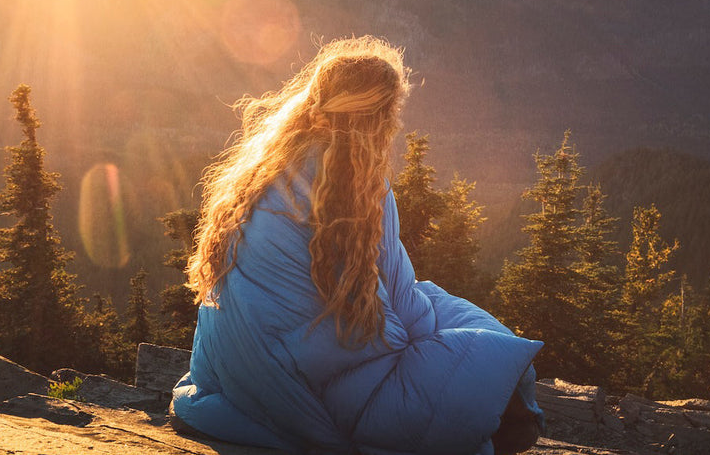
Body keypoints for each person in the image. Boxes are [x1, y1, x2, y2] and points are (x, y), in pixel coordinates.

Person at [171, 37, 544, 455]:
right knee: (490, 353)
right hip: (312, 393)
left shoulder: (259, 173)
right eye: (394, 114)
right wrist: (428, 347)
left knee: (462, 336)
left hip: (235, 377)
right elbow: (404, 307)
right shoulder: (359, 189)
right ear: (378, 119)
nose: (398, 127)